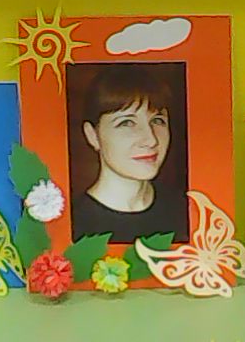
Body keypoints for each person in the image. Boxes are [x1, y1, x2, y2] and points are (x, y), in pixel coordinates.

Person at [70, 65, 188, 241]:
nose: (151, 140)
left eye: (157, 120)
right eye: (126, 123)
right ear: (92, 135)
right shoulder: (73, 225)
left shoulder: (187, 211)